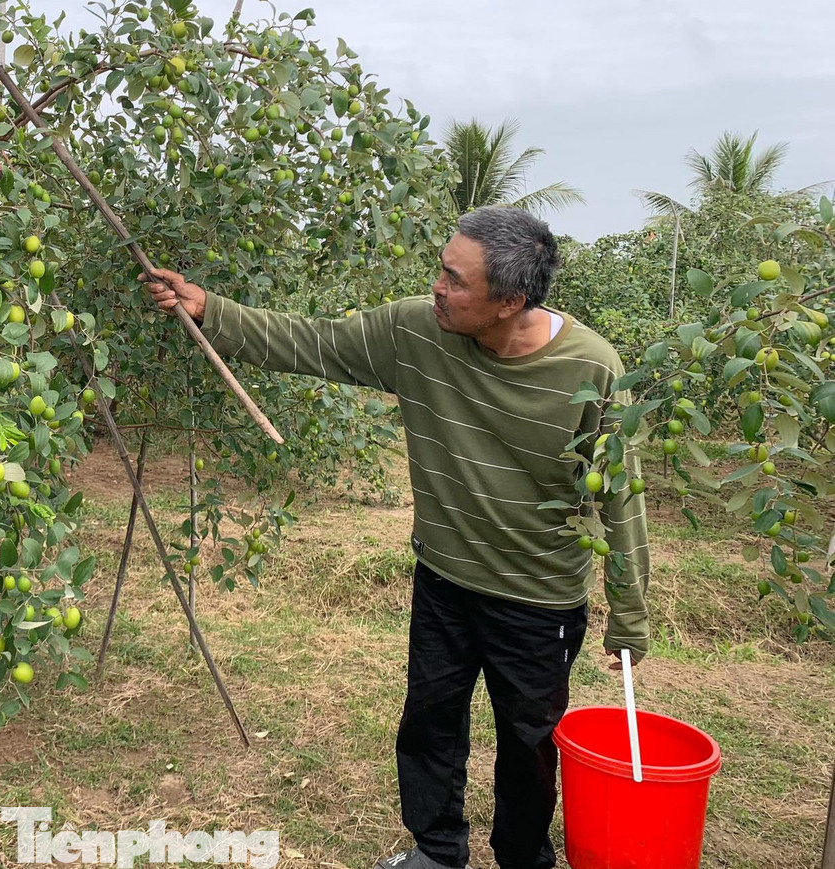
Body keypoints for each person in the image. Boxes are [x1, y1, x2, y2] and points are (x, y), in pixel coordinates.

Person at [144, 206, 651, 869]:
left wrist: (630, 617)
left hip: (538, 598)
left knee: (529, 743)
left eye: (456, 280)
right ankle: (439, 849)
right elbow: (316, 341)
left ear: (510, 301)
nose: (439, 287)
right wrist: (211, 308)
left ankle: (523, 857)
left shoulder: (594, 370)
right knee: (430, 722)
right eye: (441, 269)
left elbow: (622, 497)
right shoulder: (417, 329)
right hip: (444, 576)